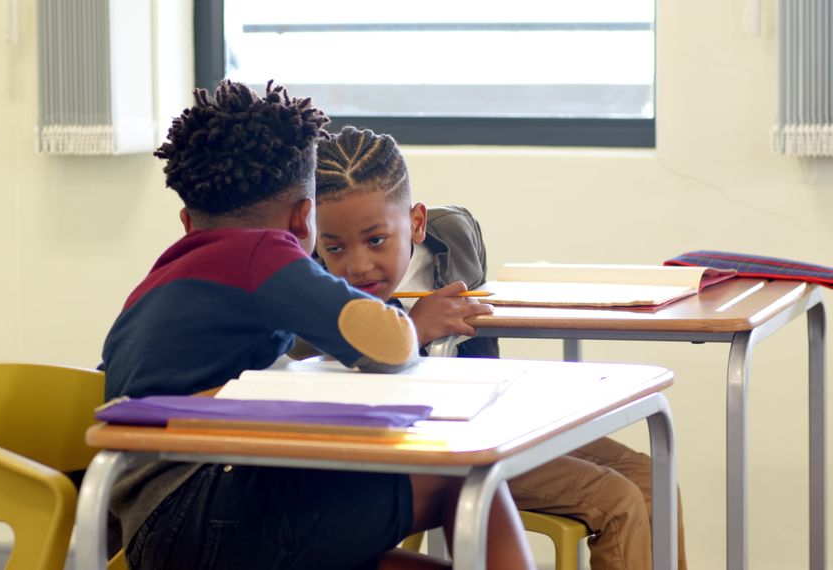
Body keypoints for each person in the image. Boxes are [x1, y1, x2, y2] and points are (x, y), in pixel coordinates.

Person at [99, 81, 534, 570]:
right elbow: (389, 345)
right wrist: (411, 325)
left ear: (186, 220)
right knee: (468, 476)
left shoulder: (164, 275)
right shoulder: (262, 252)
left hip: (145, 525)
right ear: (304, 219)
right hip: (206, 509)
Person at [311, 125, 688, 570]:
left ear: (415, 222)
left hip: (491, 422)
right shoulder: (309, 282)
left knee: (652, 478)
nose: (357, 264)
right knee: (617, 501)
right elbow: (317, 384)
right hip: (426, 449)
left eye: (376, 240)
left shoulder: (453, 235)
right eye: (334, 247)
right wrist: (412, 331)